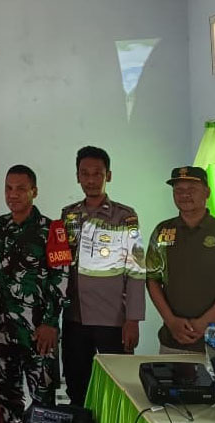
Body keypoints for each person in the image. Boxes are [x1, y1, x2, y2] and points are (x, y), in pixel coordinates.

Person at [0, 165, 69, 423]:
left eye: (20, 188)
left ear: (34, 191)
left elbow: (61, 278)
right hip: (3, 327)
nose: (13, 195)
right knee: (7, 391)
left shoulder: (53, 229)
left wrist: (50, 322)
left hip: (38, 330)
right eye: (9, 188)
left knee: (43, 394)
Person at [60, 146, 145, 406]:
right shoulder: (68, 215)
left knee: (119, 389)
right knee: (77, 386)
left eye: (97, 173)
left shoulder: (125, 216)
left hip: (113, 319)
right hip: (75, 318)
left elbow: (136, 268)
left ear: (108, 175)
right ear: (77, 176)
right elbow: (61, 266)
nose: (90, 180)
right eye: (84, 173)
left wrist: (133, 319)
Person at [146, 166, 215, 369]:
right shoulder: (163, 231)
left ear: (207, 192)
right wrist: (171, 321)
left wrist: (203, 323)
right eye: (178, 190)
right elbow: (152, 280)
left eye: (191, 189)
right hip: (174, 340)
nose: (184, 195)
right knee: (171, 389)